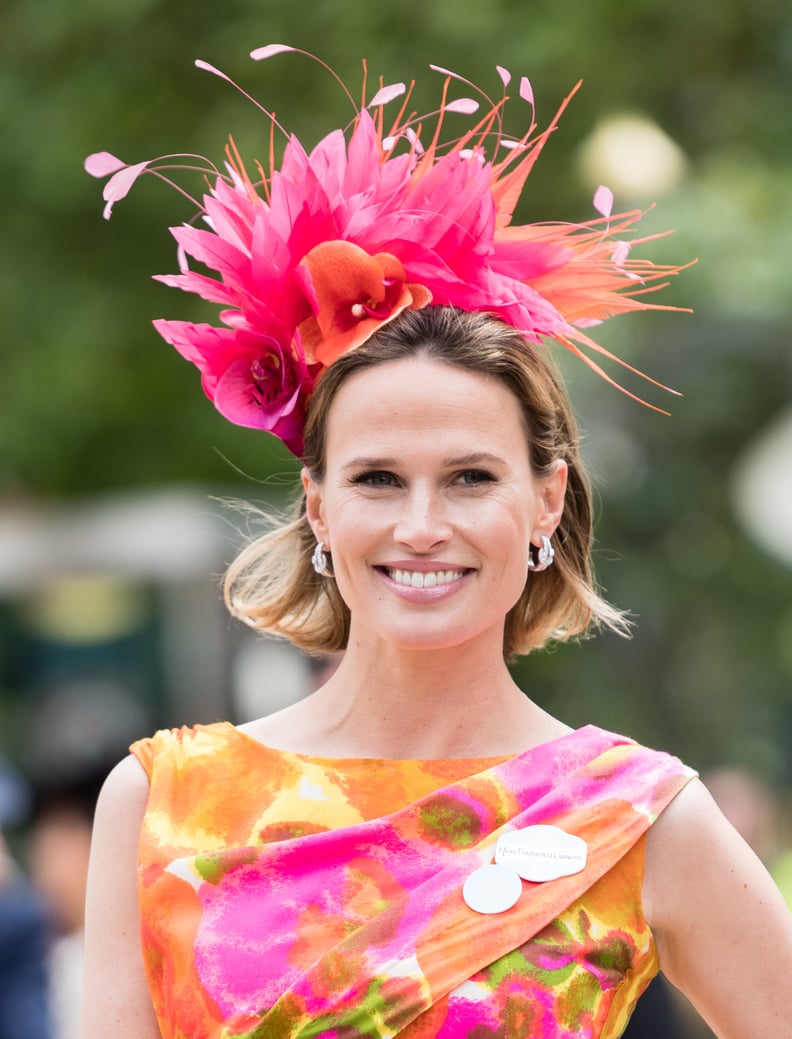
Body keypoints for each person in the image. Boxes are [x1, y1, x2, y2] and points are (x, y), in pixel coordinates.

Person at [82, 48, 792, 1039]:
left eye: (470, 477)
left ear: (545, 501)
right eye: (378, 479)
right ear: (320, 506)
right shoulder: (161, 801)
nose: (423, 526)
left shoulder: (637, 812)